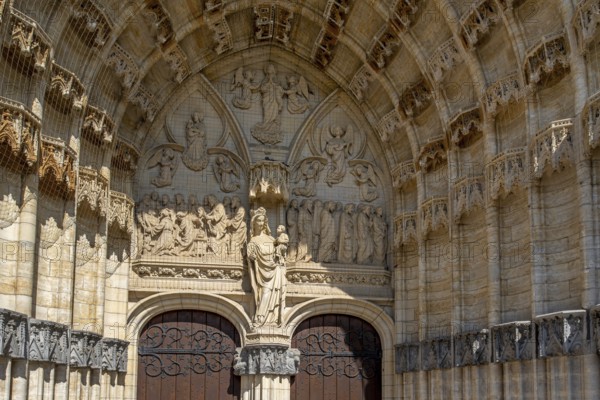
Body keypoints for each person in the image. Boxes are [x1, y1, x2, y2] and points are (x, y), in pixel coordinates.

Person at [246, 207, 286, 327]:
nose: (261, 223)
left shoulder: (271, 239)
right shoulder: (253, 240)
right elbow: (250, 255)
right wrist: (251, 257)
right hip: (261, 271)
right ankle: (261, 317)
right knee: (264, 292)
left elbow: (280, 252)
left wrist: (282, 249)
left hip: (274, 270)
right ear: (254, 222)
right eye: (258, 220)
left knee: (270, 292)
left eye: (263, 221)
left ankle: (268, 319)